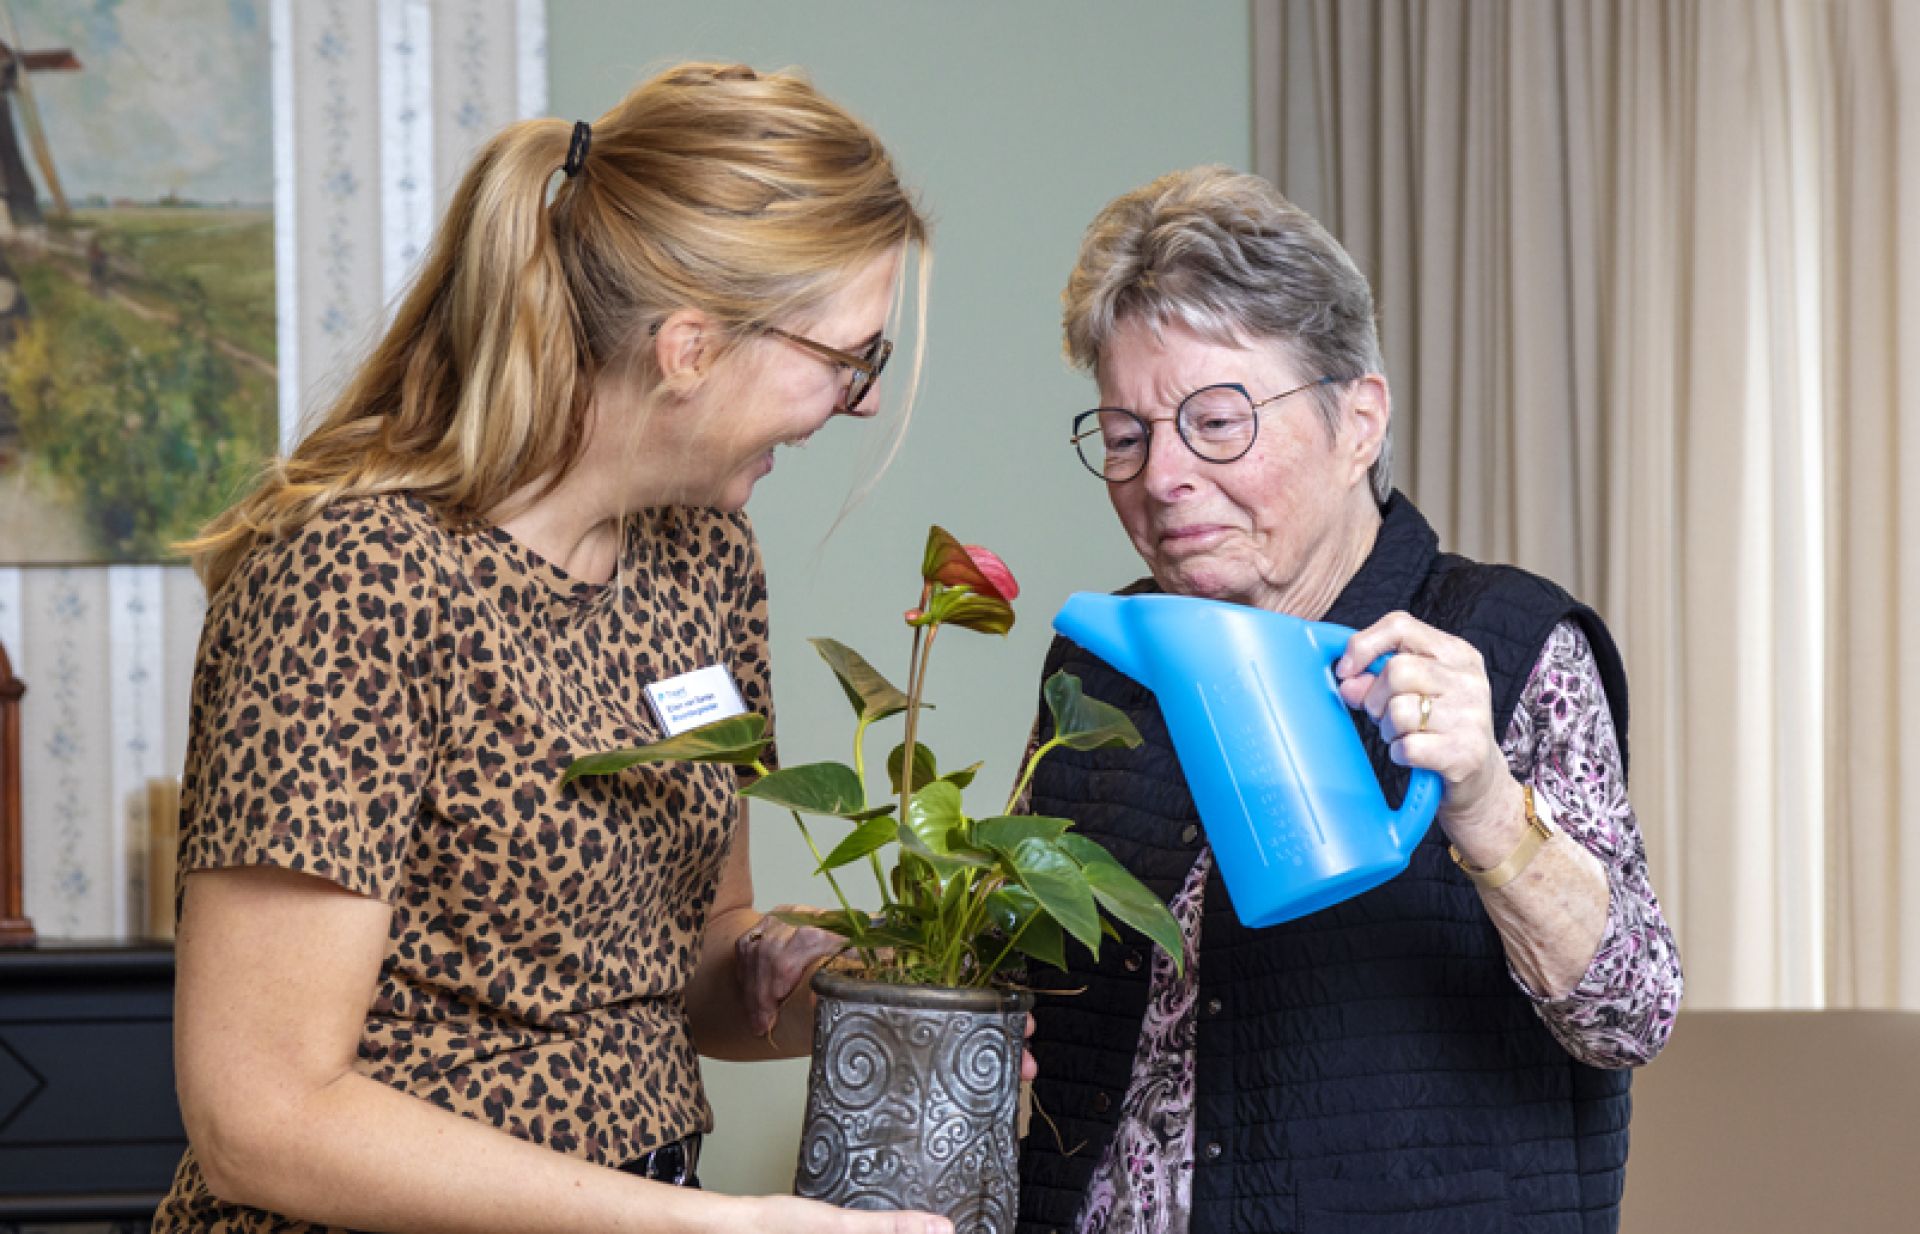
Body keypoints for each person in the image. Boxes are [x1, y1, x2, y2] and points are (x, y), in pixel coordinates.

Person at [161, 62, 951, 1234]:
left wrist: (826, 987)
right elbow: (261, 1115)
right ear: (689, 347)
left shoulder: (706, 559)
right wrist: (718, 1226)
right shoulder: (359, 580)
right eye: (848, 359)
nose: (862, 403)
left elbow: (684, 978)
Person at [1016, 166, 1682, 1234]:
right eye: (1128, 434)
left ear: (1358, 417)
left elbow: (1628, 1010)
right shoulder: (1104, 662)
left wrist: (1482, 798)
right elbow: (1035, 972)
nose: (1163, 476)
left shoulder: (1504, 644)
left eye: (1217, 421)